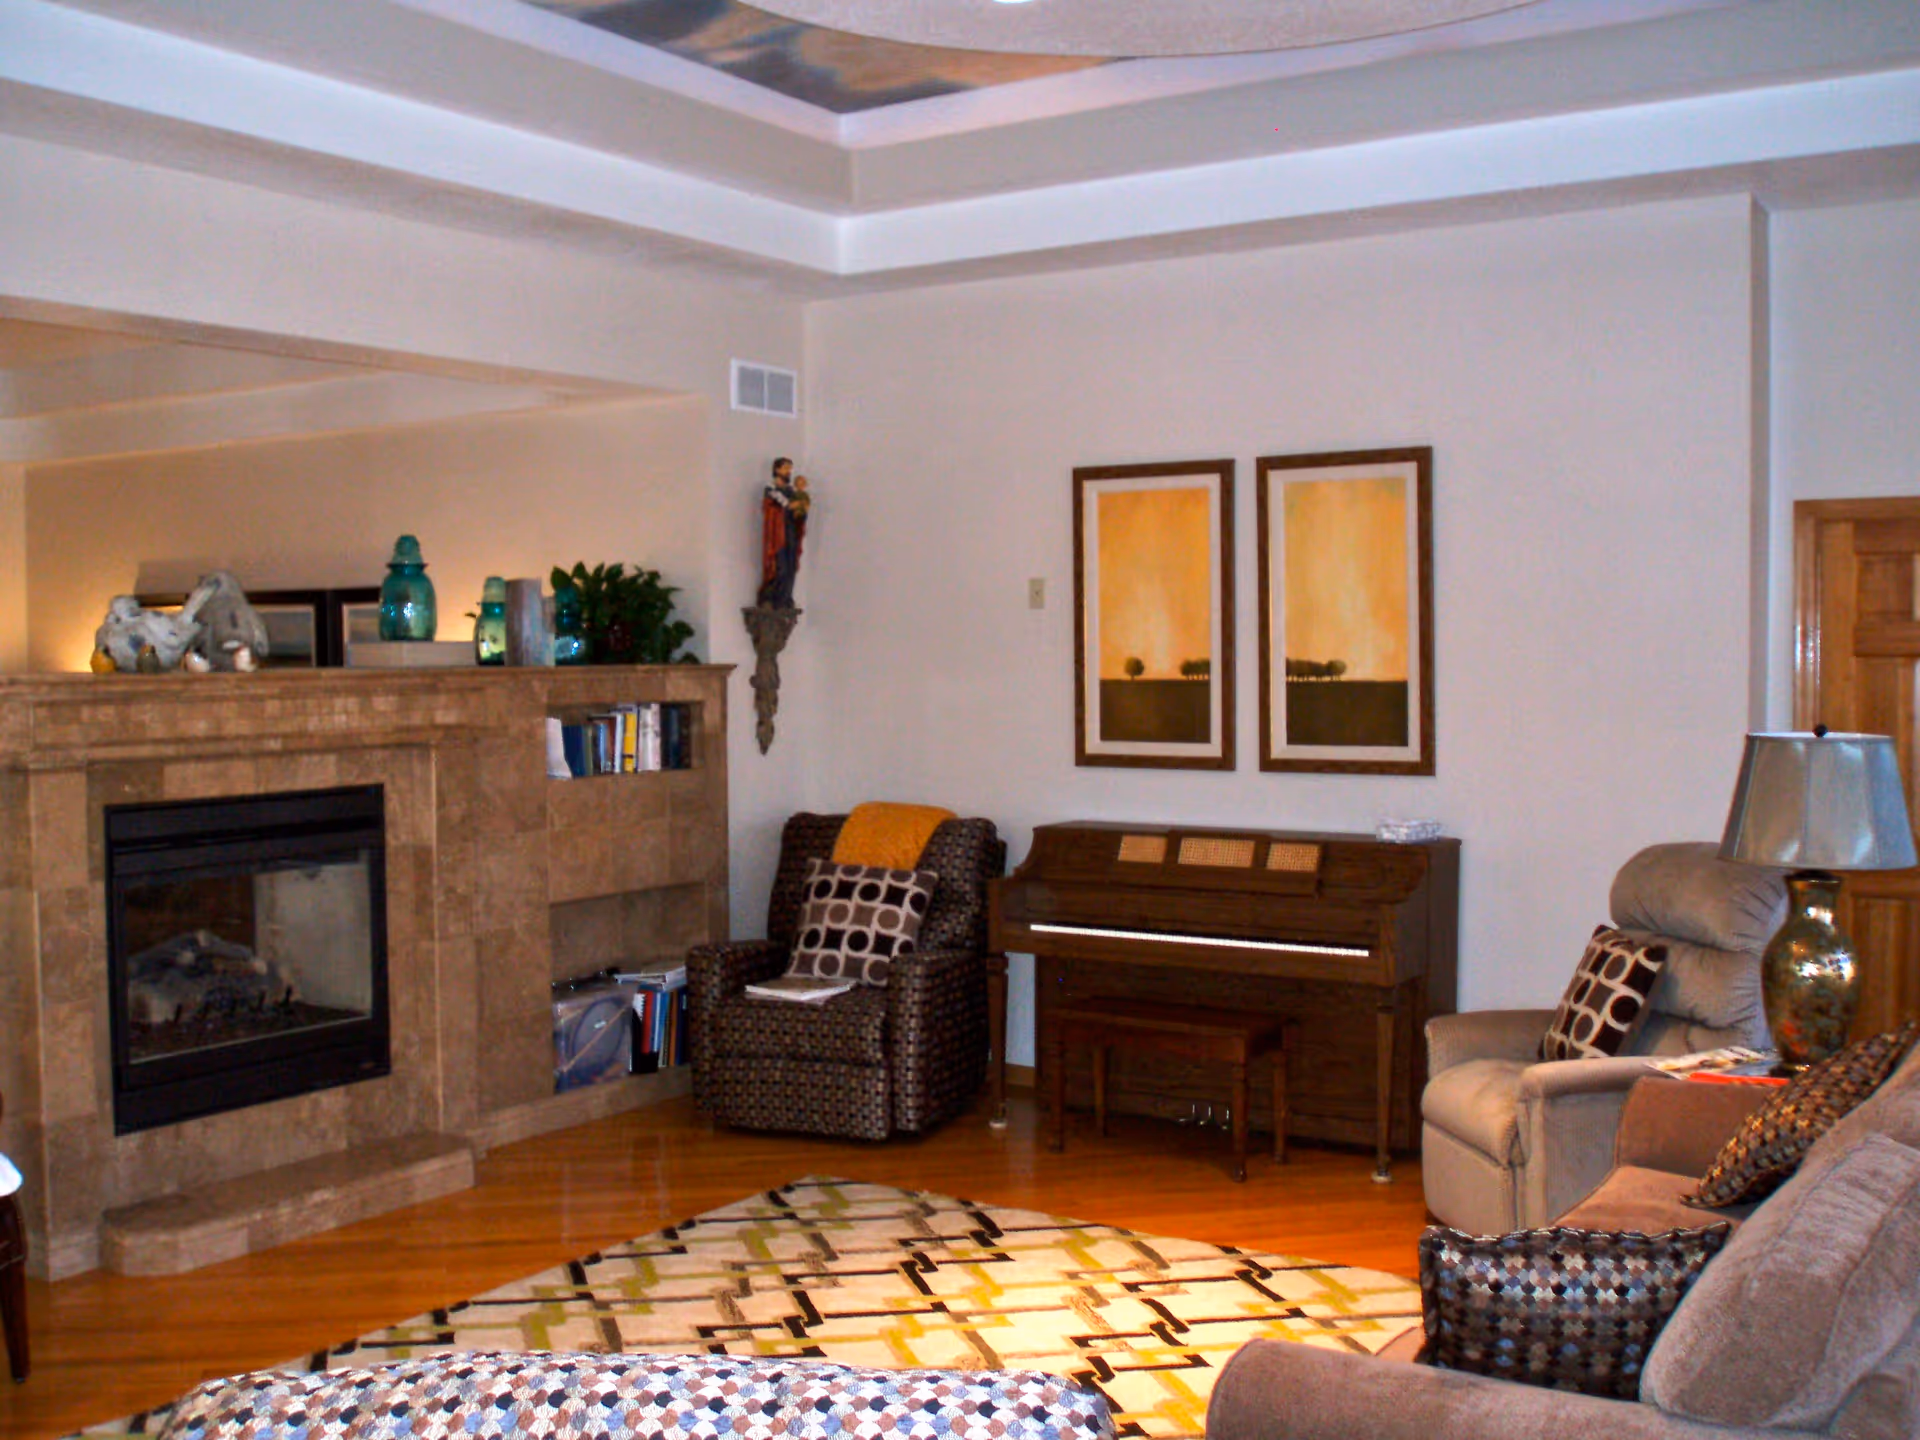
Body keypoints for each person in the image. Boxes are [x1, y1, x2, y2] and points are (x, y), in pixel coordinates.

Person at [758, 457, 812, 608]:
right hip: (778, 535)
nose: (789, 471)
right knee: (779, 566)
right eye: (786, 468)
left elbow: (797, 512)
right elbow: (776, 507)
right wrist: (790, 506)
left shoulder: (791, 491)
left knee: (791, 566)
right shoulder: (771, 489)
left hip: (791, 533)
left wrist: (802, 511)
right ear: (777, 470)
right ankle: (771, 598)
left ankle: (785, 598)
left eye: (790, 468)